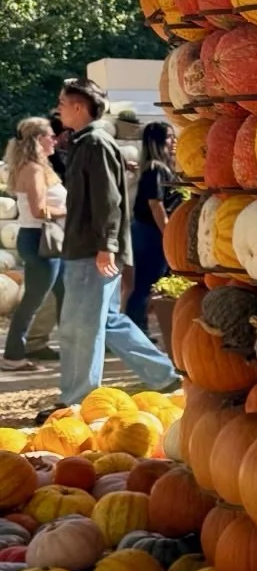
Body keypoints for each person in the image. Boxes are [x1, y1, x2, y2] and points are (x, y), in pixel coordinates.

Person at [53, 81, 179, 412]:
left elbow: (108, 200)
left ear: (79, 107)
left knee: (80, 326)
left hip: (91, 249)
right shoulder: (87, 142)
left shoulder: (94, 143)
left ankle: (76, 400)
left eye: (63, 103)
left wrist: (107, 245)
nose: (58, 109)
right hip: (91, 246)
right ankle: (164, 375)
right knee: (107, 321)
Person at [1, 117, 66, 376]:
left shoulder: (32, 167)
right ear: (39, 139)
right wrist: (67, 210)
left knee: (63, 293)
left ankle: (68, 346)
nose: (55, 139)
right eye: (51, 135)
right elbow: (40, 210)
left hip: (38, 238)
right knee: (32, 301)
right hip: (42, 240)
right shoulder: (34, 170)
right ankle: (14, 356)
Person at [123, 120, 176, 336]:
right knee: (144, 283)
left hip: (147, 231)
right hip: (150, 233)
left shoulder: (158, 167)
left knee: (145, 282)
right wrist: (168, 234)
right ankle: (134, 331)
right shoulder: (155, 169)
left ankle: (136, 328)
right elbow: (156, 205)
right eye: (170, 137)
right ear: (157, 141)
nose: (175, 142)